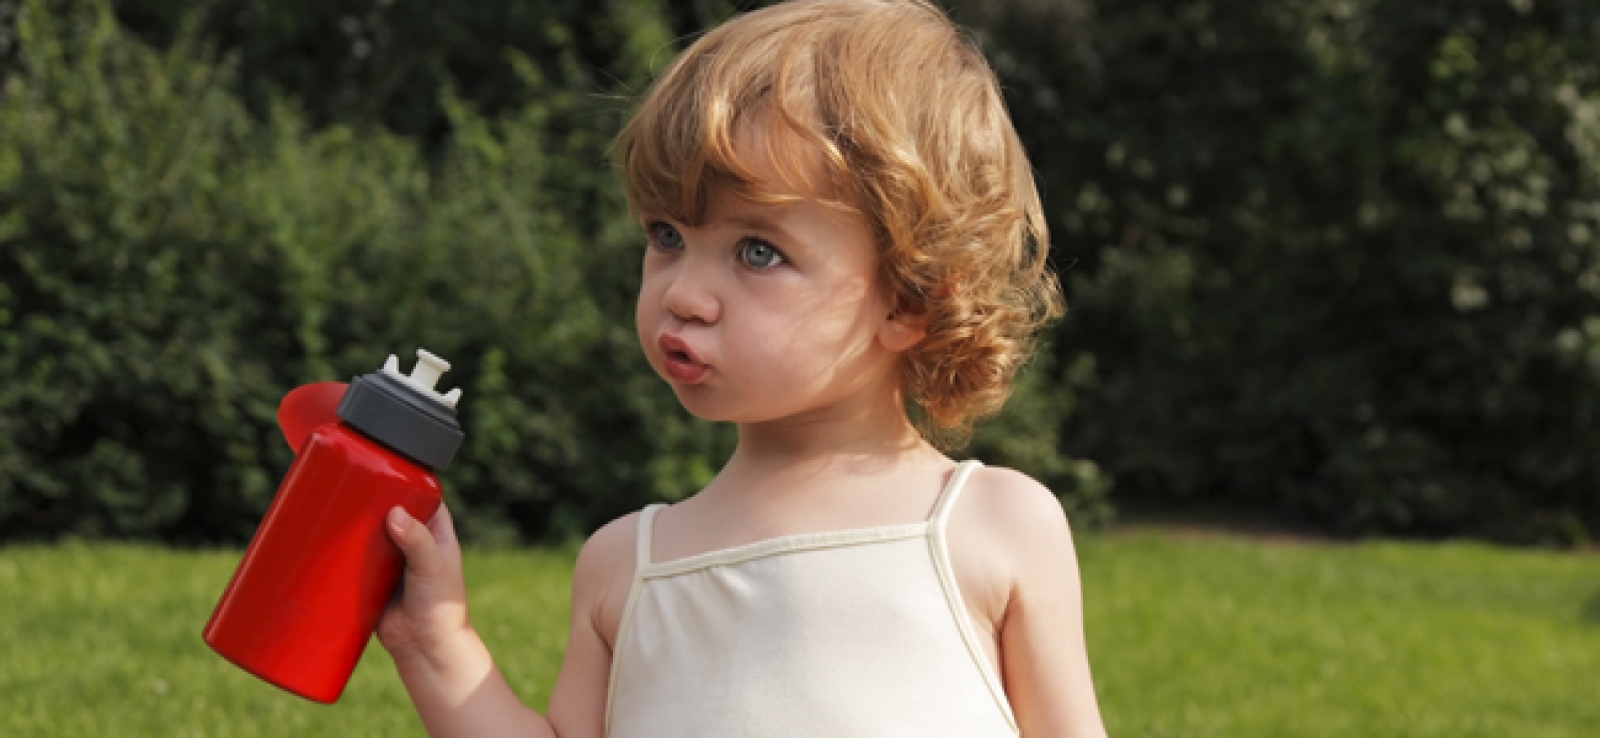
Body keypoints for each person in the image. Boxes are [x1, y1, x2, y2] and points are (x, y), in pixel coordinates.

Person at [376, 0, 1108, 735]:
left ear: (908, 300)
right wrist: (434, 643)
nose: (683, 295)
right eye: (666, 235)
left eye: (759, 252)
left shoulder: (989, 527)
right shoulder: (624, 566)